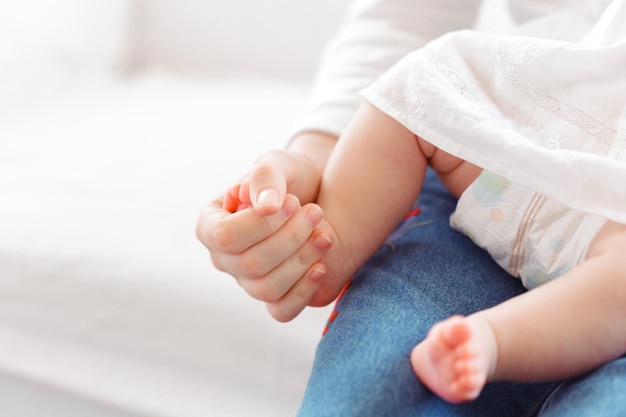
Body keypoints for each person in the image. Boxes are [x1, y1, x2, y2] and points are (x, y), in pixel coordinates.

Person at [197, 0, 626, 415]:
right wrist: (313, 161)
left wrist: (490, 341)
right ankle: (331, 243)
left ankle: (495, 340)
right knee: (421, 85)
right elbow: (404, 23)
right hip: (527, 137)